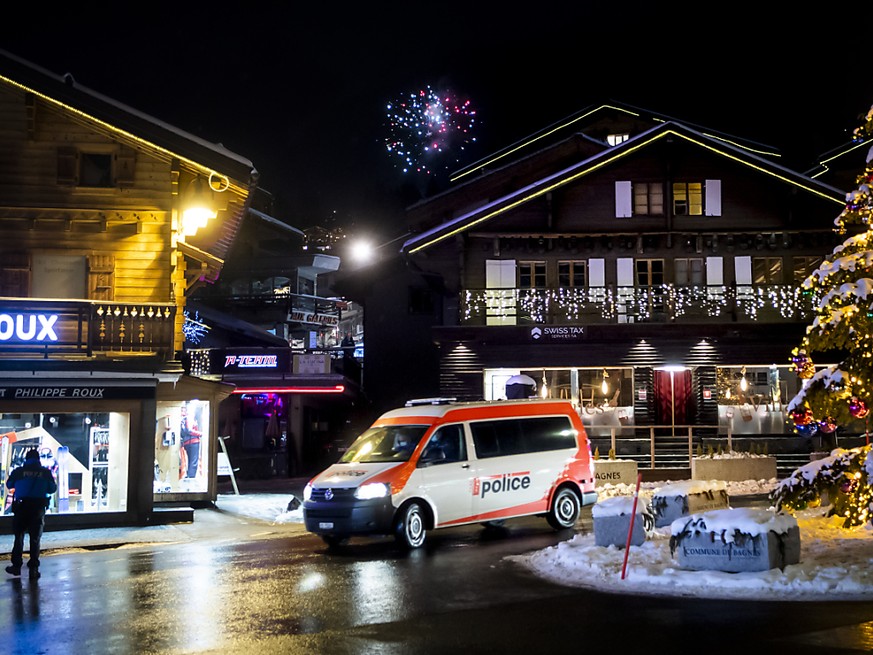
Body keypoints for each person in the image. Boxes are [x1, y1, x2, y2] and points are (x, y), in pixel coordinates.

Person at [6, 448, 57, 580]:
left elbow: (9, 484)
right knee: (35, 539)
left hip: (22, 507)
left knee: (19, 537)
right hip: (38, 508)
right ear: (38, 459)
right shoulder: (45, 472)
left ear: (26, 459)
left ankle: (16, 567)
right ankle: (33, 569)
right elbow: (52, 489)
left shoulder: (19, 472)